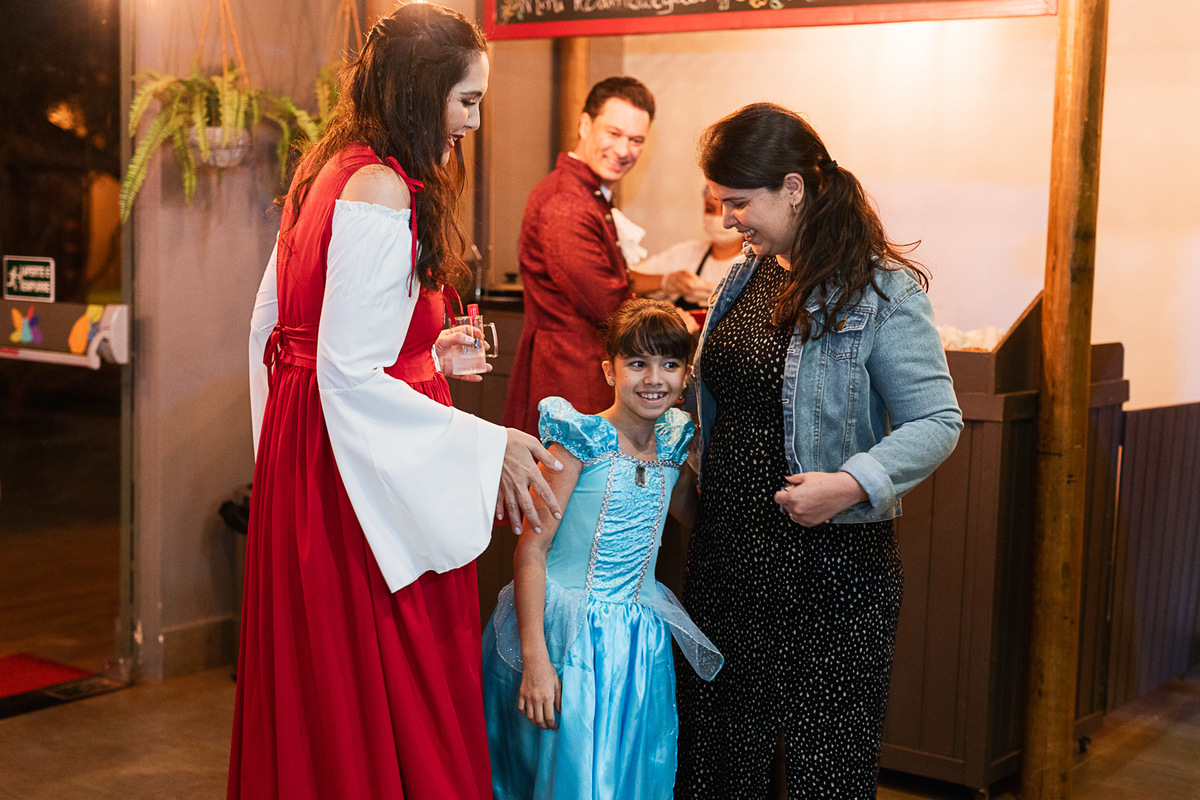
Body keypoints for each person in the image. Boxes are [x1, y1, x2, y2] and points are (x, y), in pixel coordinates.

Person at [229, 6, 564, 799]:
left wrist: (423, 355)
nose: (473, 122)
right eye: (466, 100)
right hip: (354, 475)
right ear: (419, 91)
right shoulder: (379, 187)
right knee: (396, 678)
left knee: (325, 686)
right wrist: (487, 443)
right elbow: (346, 374)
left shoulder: (325, 168)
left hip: (312, 452)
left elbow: (280, 329)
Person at [675, 102, 964, 799]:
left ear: (794, 188)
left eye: (739, 202)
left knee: (825, 772)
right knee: (717, 760)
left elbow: (938, 420)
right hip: (728, 559)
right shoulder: (744, 276)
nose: (728, 221)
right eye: (721, 202)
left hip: (830, 569)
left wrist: (852, 483)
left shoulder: (882, 289)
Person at [482, 299, 723, 800]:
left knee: (627, 769)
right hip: (567, 636)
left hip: (638, 641)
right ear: (609, 370)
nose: (653, 378)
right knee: (569, 771)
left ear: (686, 375)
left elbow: (692, 513)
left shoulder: (674, 445)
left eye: (670, 364)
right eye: (637, 363)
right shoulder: (578, 443)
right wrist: (537, 659)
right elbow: (531, 551)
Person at [503, 77, 704, 436]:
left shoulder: (588, 194)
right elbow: (608, 304)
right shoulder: (567, 201)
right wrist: (674, 320)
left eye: (636, 140)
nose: (623, 149)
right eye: (614, 133)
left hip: (579, 369)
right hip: (572, 376)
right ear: (585, 125)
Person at [636, 185, 747, 316]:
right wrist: (666, 282)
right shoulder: (686, 253)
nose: (719, 218)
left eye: (725, 210)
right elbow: (628, 279)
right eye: (710, 209)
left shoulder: (754, 262)